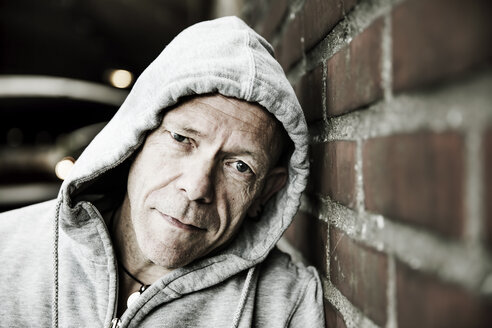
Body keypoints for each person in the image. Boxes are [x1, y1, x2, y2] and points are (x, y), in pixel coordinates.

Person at [0, 16, 325, 327]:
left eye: (240, 166)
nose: (197, 187)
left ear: (265, 193)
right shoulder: (6, 249)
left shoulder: (287, 308)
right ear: (134, 141)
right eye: (182, 139)